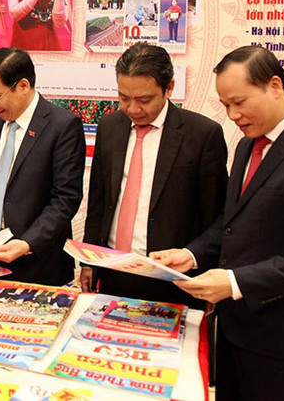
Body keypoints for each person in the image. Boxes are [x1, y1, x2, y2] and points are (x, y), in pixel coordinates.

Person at [152, 46, 284, 401]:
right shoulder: (248, 145)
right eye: (225, 105)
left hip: (280, 341)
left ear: (274, 86)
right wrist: (191, 254)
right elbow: (233, 223)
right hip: (233, 330)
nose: (233, 115)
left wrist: (234, 282)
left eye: (239, 102)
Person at [80, 43, 228, 307]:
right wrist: (88, 261)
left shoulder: (202, 135)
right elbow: (99, 201)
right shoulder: (110, 126)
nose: (133, 109)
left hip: (172, 279)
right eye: (124, 97)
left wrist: (204, 268)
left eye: (144, 100)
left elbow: (215, 216)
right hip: (113, 270)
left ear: (169, 88)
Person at [0, 48, 85, 285]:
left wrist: (28, 242)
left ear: (23, 86)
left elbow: (65, 199)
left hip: (37, 263)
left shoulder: (62, 126)